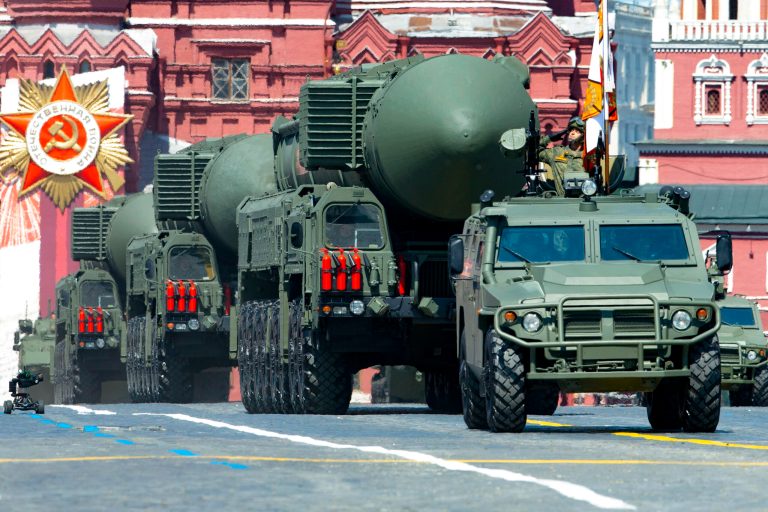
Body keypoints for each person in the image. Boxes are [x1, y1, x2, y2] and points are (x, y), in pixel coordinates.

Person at [538, 117, 586, 196]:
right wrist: (549, 138)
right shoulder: (557, 152)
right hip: (563, 201)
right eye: (571, 131)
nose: (572, 133)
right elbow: (534, 151)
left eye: (577, 131)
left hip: (586, 201)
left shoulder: (589, 156)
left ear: (583, 137)